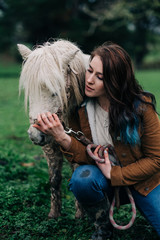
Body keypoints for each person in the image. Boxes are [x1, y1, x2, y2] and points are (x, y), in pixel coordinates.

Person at [33, 42, 160, 240]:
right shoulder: (79, 107)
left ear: (116, 81)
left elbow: (156, 160)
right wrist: (61, 137)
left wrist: (115, 173)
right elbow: (85, 155)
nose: (89, 80)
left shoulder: (142, 108)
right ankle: (102, 226)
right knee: (82, 179)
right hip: (102, 179)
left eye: (99, 77)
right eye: (89, 71)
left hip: (143, 181)